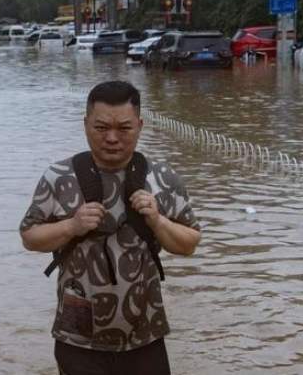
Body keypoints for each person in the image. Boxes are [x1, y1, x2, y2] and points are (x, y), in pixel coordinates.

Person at [20, 80, 201, 375]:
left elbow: (189, 243)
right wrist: (71, 226)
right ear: (85, 124)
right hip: (77, 336)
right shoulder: (58, 177)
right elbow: (29, 237)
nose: (112, 138)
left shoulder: (163, 179)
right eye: (101, 128)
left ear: (140, 125)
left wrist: (157, 220)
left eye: (124, 128)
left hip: (145, 333)